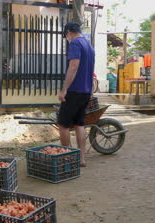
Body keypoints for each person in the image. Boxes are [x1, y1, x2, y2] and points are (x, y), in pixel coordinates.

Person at [58, 22, 95, 167]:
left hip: (74, 91)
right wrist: (90, 90)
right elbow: (90, 70)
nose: (67, 38)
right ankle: (81, 159)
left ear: (69, 32)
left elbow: (73, 66)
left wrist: (64, 89)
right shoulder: (89, 46)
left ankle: (67, 158)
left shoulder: (74, 44)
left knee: (63, 125)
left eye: (66, 35)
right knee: (79, 124)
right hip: (85, 91)